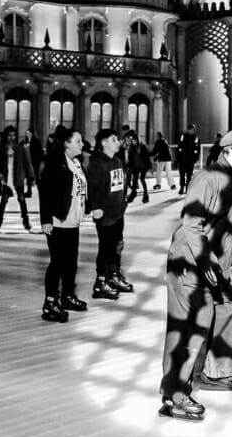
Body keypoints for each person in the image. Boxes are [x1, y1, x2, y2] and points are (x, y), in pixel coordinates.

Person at [159, 128, 232, 422]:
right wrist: (205, 262)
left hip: (214, 264)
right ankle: (174, 394)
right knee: (190, 325)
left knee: (226, 310)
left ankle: (214, 372)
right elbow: (191, 223)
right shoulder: (208, 178)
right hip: (190, 264)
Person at [39, 126, 88, 322]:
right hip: (58, 222)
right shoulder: (55, 164)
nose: (82, 144)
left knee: (71, 263)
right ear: (66, 144)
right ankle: (50, 303)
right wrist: (45, 220)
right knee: (57, 263)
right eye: (78, 141)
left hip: (73, 222)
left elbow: (82, 190)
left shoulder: (77, 163)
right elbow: (45, 192)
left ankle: (67, 296)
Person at [86, 128, 133, 300]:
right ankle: (100, 282)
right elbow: (91, 188)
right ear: (103, 143)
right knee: (105, 248)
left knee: (117, 246)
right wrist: (95, 206)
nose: (117, 142)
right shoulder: (97, 163)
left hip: (118, 212)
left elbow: (121, 183)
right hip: (104, 215)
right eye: (113, 139)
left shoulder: (118, 161)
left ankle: (114, 275)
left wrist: (125, 199)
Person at [0, 125, 35, 232]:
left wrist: (31, 177)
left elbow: (27, 163)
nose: (11, 137)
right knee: (4, 200)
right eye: (9, 135)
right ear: (6, 136)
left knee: (21, 200)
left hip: (18, 178)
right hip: (7, 179)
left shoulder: (20, 148)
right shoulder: (2, 149)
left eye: (13, 135)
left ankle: (26, 222)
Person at [125, 131, 151, 204]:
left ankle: (146, 194)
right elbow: (130, 158)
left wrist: (149, 166)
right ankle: (133, 194)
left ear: (138, 140)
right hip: (136, 166)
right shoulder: (132, 148)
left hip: (143, 166)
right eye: (133, 141)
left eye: (135, 141)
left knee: (142, 179)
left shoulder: (142, 147)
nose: (134, 142)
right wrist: (129, 166)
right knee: (134, 180)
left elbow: (146, 157)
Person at [177, 124, 201, 194]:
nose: (191, 131)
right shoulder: (183, 136)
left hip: (191, 160)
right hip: (182, 159)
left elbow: (198, 150)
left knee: (189, 176)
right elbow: (179, 147)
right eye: (190, 129)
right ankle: (182, 187)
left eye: (193, 130)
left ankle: (188, 189)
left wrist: (195, 159)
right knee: (182, 175)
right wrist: (178, 158)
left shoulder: (196, 138)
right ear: (188, 130)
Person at [21, 128, 45, 197]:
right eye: (27, 133)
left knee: (36, 177)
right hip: (28, 161)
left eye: (29, 133)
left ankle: (40, 190)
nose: (28, 134)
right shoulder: (25, 141)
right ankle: (29, 192)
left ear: (32, 134)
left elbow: (39, 151)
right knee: (29, 177)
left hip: (34, 162)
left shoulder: (36, 141)